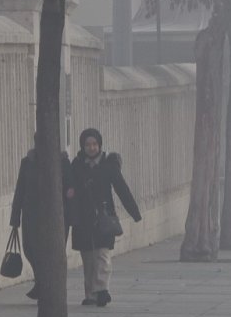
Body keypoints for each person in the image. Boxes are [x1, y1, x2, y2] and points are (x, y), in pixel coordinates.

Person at [71, 128, 141, 307]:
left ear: (100, 145)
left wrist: (134, 212)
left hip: (104, 217)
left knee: (102, 254)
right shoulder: (77, 165)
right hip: (83, 220)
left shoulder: (108, 165)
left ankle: (102, 289)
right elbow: (69, 185)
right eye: (88, 144)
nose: (92, 148)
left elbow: (121, 189)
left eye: (94, 144)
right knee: (87, 258)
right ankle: (90, 295)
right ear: (82, 146)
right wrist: (69, 192)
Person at [9, 134, 75, 300]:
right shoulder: (28, 162)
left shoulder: (62, 162)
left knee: (52, 252)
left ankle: (45, 287)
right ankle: (41, 282)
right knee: (30, 250)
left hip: (56, 216)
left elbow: (71, 186)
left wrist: (70, 197)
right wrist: (15, 218)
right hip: (31, 214)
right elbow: (20, 190)